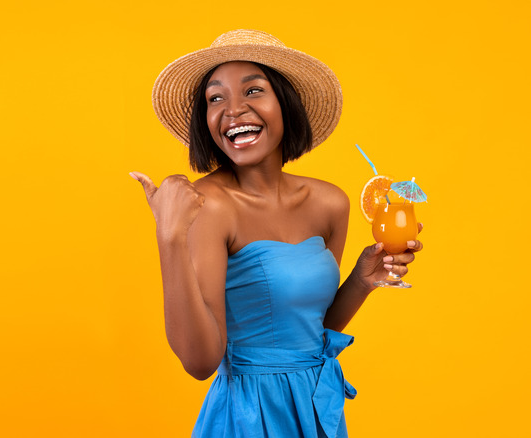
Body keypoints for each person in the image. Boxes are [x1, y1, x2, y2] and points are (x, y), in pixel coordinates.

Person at [130, 30, 423, 438]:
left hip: (315, 407)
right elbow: (199, 362)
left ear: (285, 104)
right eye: (216, 98)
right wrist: (169, 237)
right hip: (249, 414)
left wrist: (360, 281)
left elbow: (309, 329)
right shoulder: (208, 206)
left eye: (253, 90)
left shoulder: (330, 203)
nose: (233, 110)